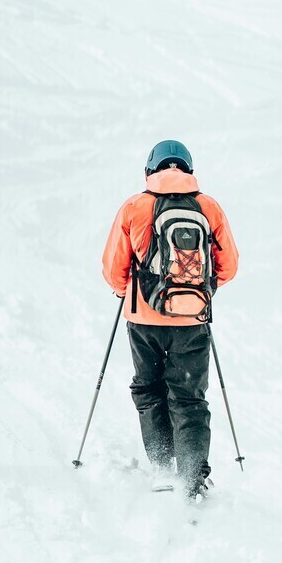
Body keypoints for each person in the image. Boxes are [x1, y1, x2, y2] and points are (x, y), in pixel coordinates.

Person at [102, 140, 238, 500]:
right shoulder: (209, 207)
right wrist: (198, 291)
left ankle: (162, 467)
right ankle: (192, 478)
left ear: (151, 171)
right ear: (188, 170)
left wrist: (128, 290)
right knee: (189, 397)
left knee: (149, 389)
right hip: (192, 320)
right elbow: (229, 266)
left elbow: (113, 270)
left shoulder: (134, 207)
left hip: (143, 321)